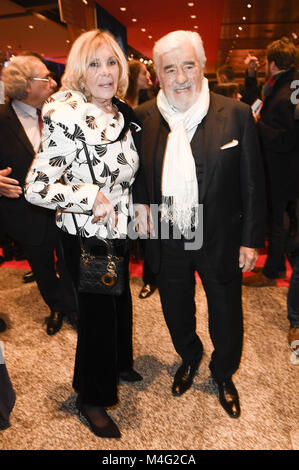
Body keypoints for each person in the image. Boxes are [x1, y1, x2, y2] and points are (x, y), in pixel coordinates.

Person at [134, 30, 266, 419]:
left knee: (225, 310)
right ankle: (189, 355)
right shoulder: (143, 117)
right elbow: (139, 177)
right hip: (168, 231)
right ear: (157, 74)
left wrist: (250, 240)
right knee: (175, 308)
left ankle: (223, 372)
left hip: (220, 234)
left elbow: (253, 184)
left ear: (202, 66)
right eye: (169, 68)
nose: (180, 77)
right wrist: (141, 211)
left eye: (187, 65)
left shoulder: (236, 114)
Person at [25, 29, 142, 439]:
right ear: (79, 70)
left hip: (119, 230)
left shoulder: (120, 111)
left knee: (119, 299)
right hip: (87, 236)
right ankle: (91, 398)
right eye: (94, 63)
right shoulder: (67, 115)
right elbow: (36, 187)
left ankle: (119, 363)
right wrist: (88, 194)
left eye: (112, 62)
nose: (105, 72)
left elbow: (124, 174)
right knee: (95, 316)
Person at [0, 55, 78, 335]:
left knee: (71, 260)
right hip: (24, 212)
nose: (53, 82)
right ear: (24, 84)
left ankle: (72, 307)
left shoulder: (59, 111)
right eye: (46, 77)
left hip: (64, 205)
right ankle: (56, 306)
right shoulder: (1, 118)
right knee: (43, 266)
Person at [243, 37, 299, 288]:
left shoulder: (286, 90)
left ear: (273, 64)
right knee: (285, 221)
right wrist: (251, 76)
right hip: (286, 168)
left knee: (279, 222)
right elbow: (256, 104)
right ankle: (276, 267)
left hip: (283, 169)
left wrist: (259, 126)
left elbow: (287, 136)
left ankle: (272, 271)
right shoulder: (286, 85)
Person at [125, 60, 157, 299]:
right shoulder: (119, 104)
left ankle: (152, 276)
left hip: (148, 174)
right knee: (136, 230)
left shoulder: (152, 104)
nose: (149, 76)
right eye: (144, 72)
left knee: (151, 231)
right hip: (127, 179)